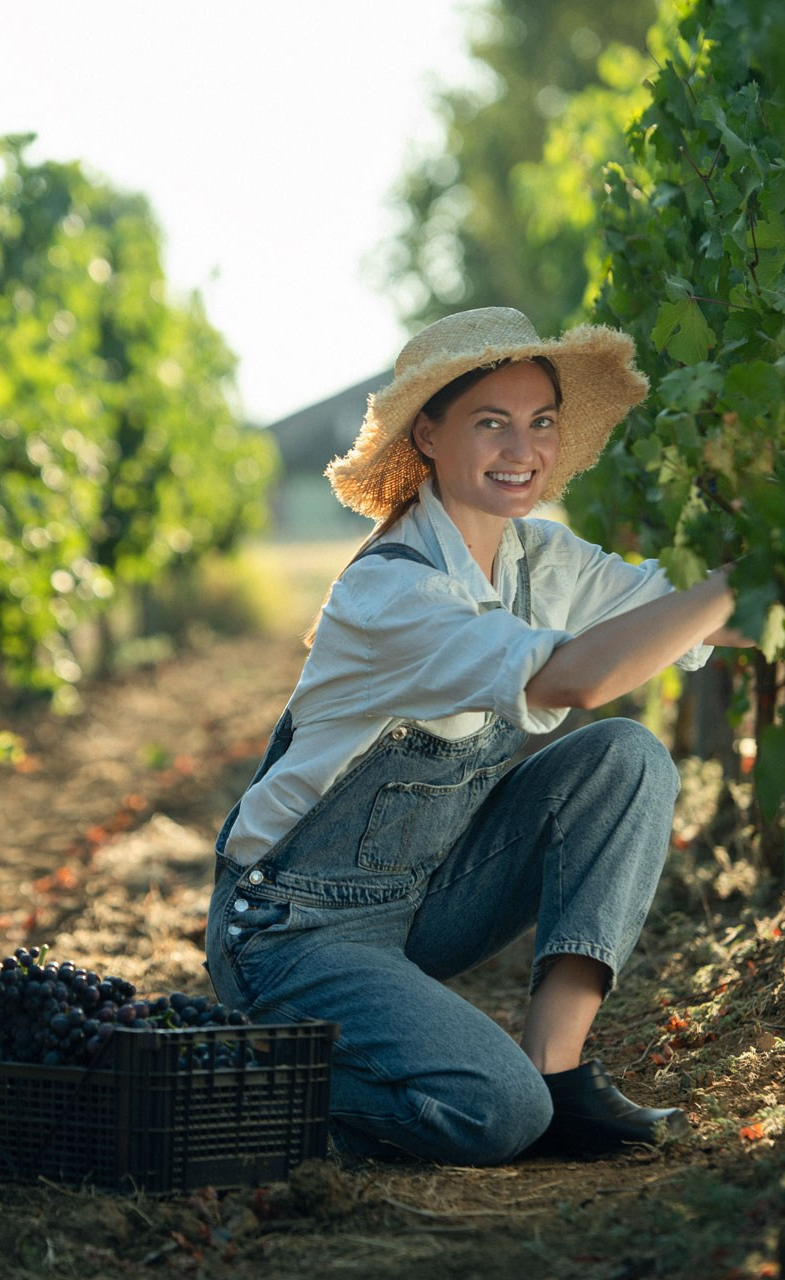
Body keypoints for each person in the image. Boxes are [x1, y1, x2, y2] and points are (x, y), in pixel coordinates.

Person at [203, 306, 752, 1164]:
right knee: (494, 1113)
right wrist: (734, 584)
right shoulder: (396, 590)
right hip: (293, 927)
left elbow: (687, 614)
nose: (521, 449)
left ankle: (557, 1076)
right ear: (428, 433)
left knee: (626, 760)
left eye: (539, 424)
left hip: (418, 899)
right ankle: (229, 1072)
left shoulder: (542, 559)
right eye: (490, 423)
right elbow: (572, 678)